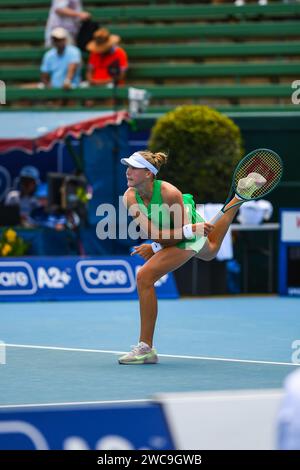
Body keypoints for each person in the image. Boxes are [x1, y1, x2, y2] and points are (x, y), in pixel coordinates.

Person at [118, 151, 267, 365]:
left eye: (134, 167)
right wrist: (156, 245)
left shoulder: (170, 194)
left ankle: (145, 348)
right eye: (128, 166)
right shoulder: (129, 197)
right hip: (184, 232)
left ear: (149, 174)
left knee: (145, 276)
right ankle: (240, 197)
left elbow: (181, 238)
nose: (128, 171)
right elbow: (158, 235)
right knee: (212, 250)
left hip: (185, 230)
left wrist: (162, 243)